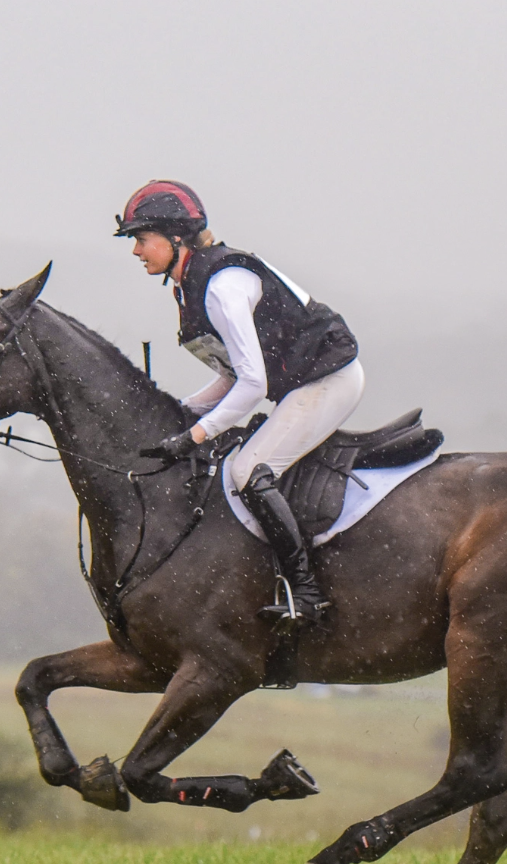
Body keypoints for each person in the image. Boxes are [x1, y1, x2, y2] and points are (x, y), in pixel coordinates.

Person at [116, 180, 364, 628]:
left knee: (247, 470)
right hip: (295, 383)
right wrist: (180, 410)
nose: (135, 250)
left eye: (140, 238)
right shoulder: (189, 283)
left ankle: (306, 595)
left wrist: (195, 433)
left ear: (175, 239)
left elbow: (252, 385)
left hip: (330, 380)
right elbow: (231, 375)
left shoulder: (220, 288)